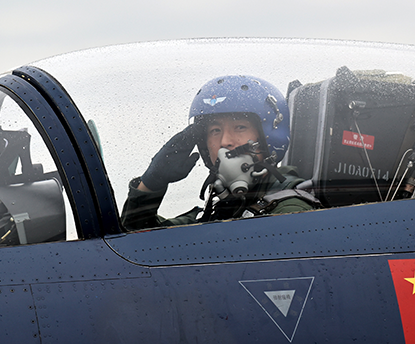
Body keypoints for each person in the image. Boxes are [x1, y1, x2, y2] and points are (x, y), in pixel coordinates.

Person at [121, 75, 319, 231]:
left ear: (269, 136)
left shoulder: (291, 210)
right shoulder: (215, 213)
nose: (225, 142)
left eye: (240, 127)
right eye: (215, 131)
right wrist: (151, 183)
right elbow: (136, 241)